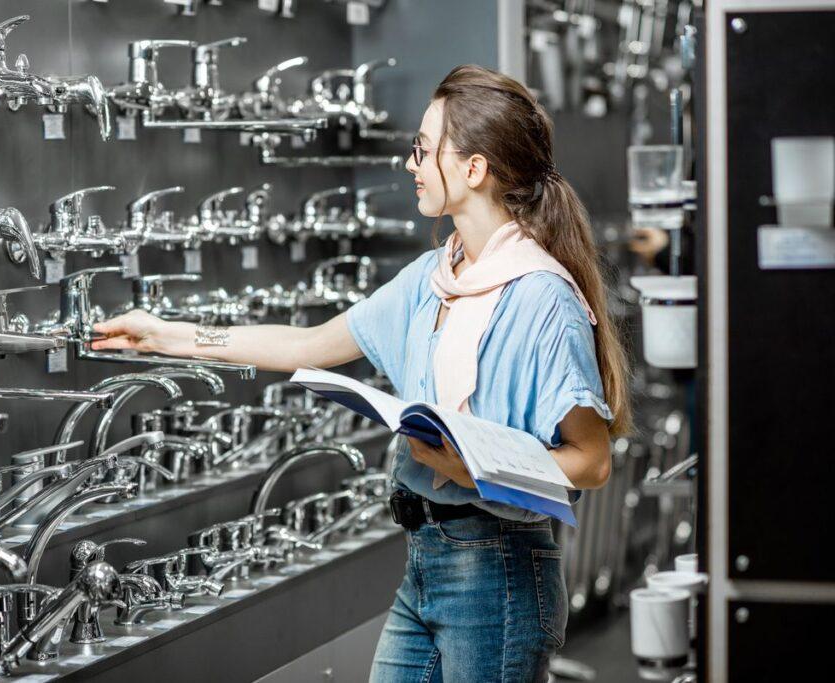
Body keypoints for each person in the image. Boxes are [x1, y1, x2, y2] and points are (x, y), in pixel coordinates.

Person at [91, 64, 631, 683]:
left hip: (499, 571)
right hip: (426, 556)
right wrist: (167, 335)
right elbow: (308, 344)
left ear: (474, 169)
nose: (410, 164)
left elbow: (592, 461)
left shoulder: (543, 298)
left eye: (423, 150)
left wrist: (475, 471)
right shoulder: (431, 279)